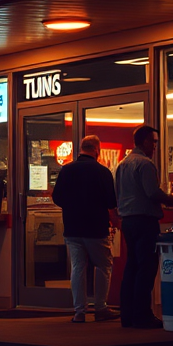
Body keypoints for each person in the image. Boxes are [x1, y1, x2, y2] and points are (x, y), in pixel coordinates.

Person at [51, 134, 119, 323]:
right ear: (97, 150)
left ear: (81, 149)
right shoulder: (102, 172)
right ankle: (100, 307)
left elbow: (57, 197)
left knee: (78, 267)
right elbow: (111, 202)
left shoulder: (67, 170)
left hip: (72, 227)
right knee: (103, 265)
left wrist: (72, 207)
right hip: (96, 227)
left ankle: (79, 311)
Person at [115, 124, 173, 328]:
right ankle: (142, 315)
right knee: (147, 268)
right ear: (144, 142)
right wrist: (169, 199)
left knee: (132, 267)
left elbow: (118, 194)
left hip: (128, 221)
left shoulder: (122, 164)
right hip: (145, 221)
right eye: (153, 141)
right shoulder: (145, 164)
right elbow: (152, 193)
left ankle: (127, 315)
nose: (155, 146)